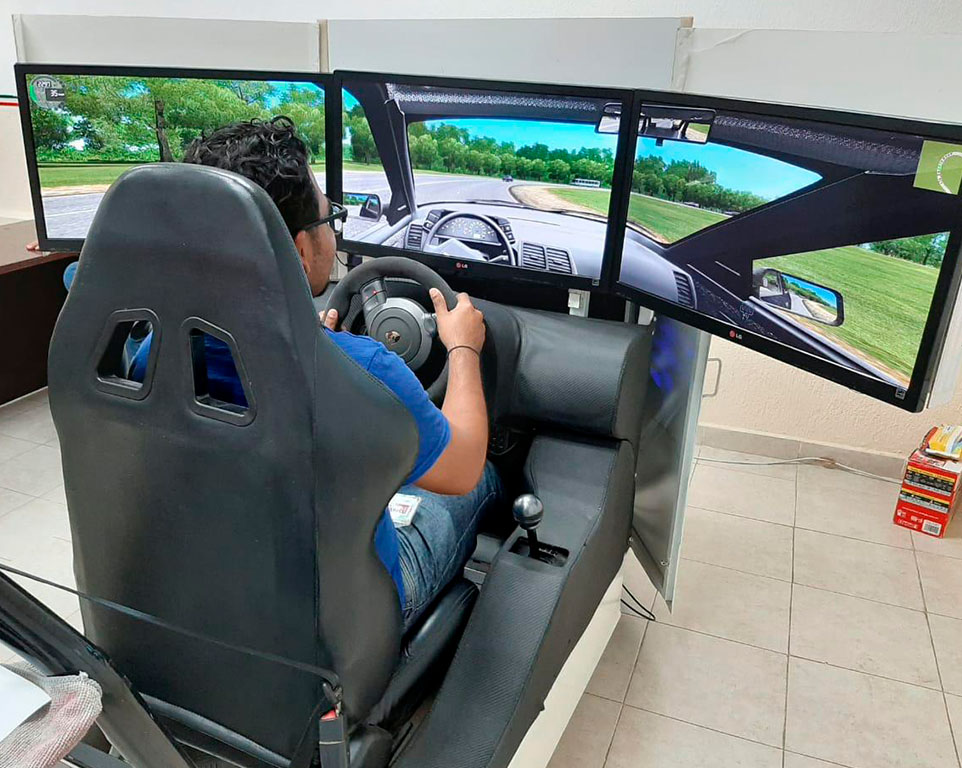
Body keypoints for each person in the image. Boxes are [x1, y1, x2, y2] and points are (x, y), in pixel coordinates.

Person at [70, 117, 502, 629]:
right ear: (298, 249)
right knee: (482, 478)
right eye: (328, 218)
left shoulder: (149, 355)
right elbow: (460, 469)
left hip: (208, 593)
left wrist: (302, 339)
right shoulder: (363, 369)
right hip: (340, 625)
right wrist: (463, 348)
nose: (331, 229)